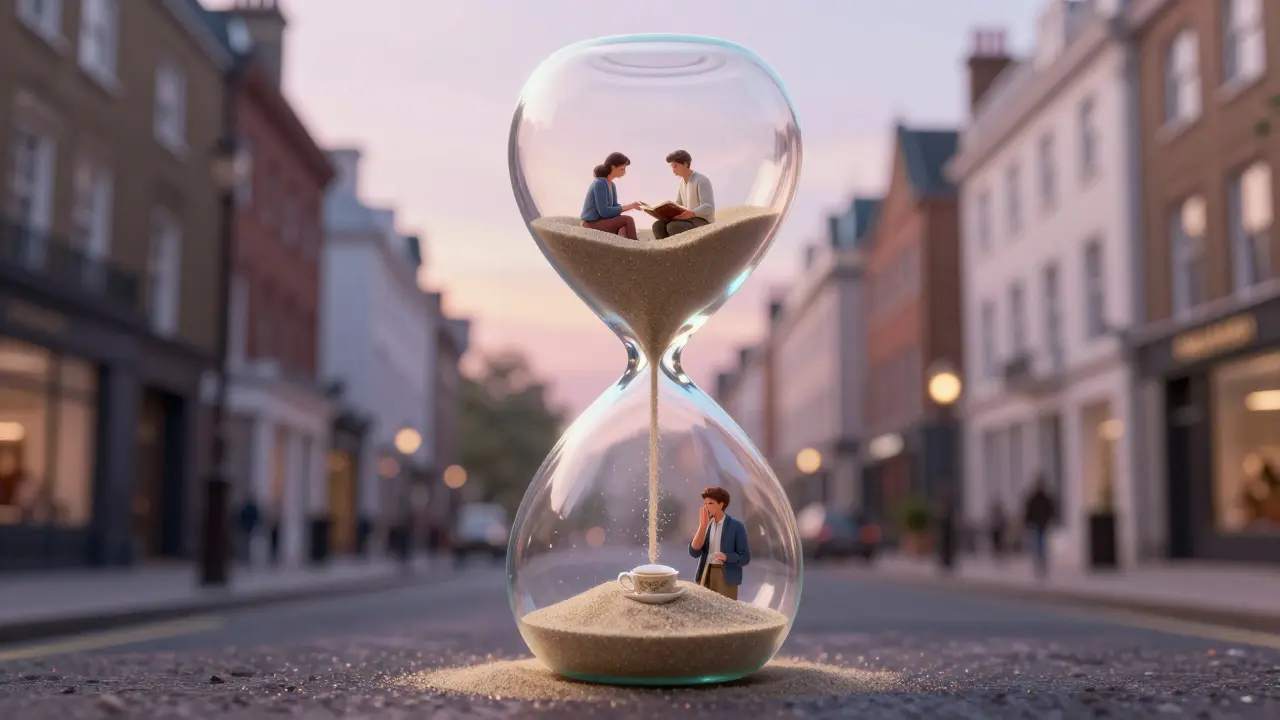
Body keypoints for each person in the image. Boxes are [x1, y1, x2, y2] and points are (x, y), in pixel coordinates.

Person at [688, 486, 750, 600]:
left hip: (725, 574)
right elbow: (694, 552)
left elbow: (745, 557)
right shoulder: (706, 525)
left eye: (710, 503)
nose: (707, 507)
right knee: (706, 606)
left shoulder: (736, 526)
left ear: (721, 504)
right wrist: (702, 526)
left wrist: (727, 557)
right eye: (705, 503)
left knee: (725, 608)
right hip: (706, 571)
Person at [652, 149, 715, 239]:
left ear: (685, 164)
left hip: (702, 221)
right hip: (686, 220)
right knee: (657, 226)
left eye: (675, 166)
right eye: (672, 167)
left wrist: (692, 213)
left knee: (673, 227)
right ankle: (667, 252)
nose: (673, 169)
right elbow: (678, 204)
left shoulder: (702, 180)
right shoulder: (681, 183)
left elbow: (709, 206)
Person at [580, 151, 640, 240]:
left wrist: (632, 205)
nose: (624, 172)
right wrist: (630, 207)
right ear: (613, 167)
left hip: (602, 221)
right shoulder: (599, 183)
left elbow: (615, 207)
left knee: (623, 227)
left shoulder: (612, 185)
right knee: (628, 220)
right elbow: (604, 212)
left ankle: (623, 247)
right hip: (591, 223)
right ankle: (636, 248)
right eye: (622, 169)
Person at [1023, 476, 1057, 579]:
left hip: (1041, 524)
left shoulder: (1041, 498)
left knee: (1039, 545)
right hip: (1037, 524)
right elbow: (1028, 511)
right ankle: (1040, 565)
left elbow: (1050, 510)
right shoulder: (1037, 498)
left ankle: (1041, 565)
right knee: (1038, 545)